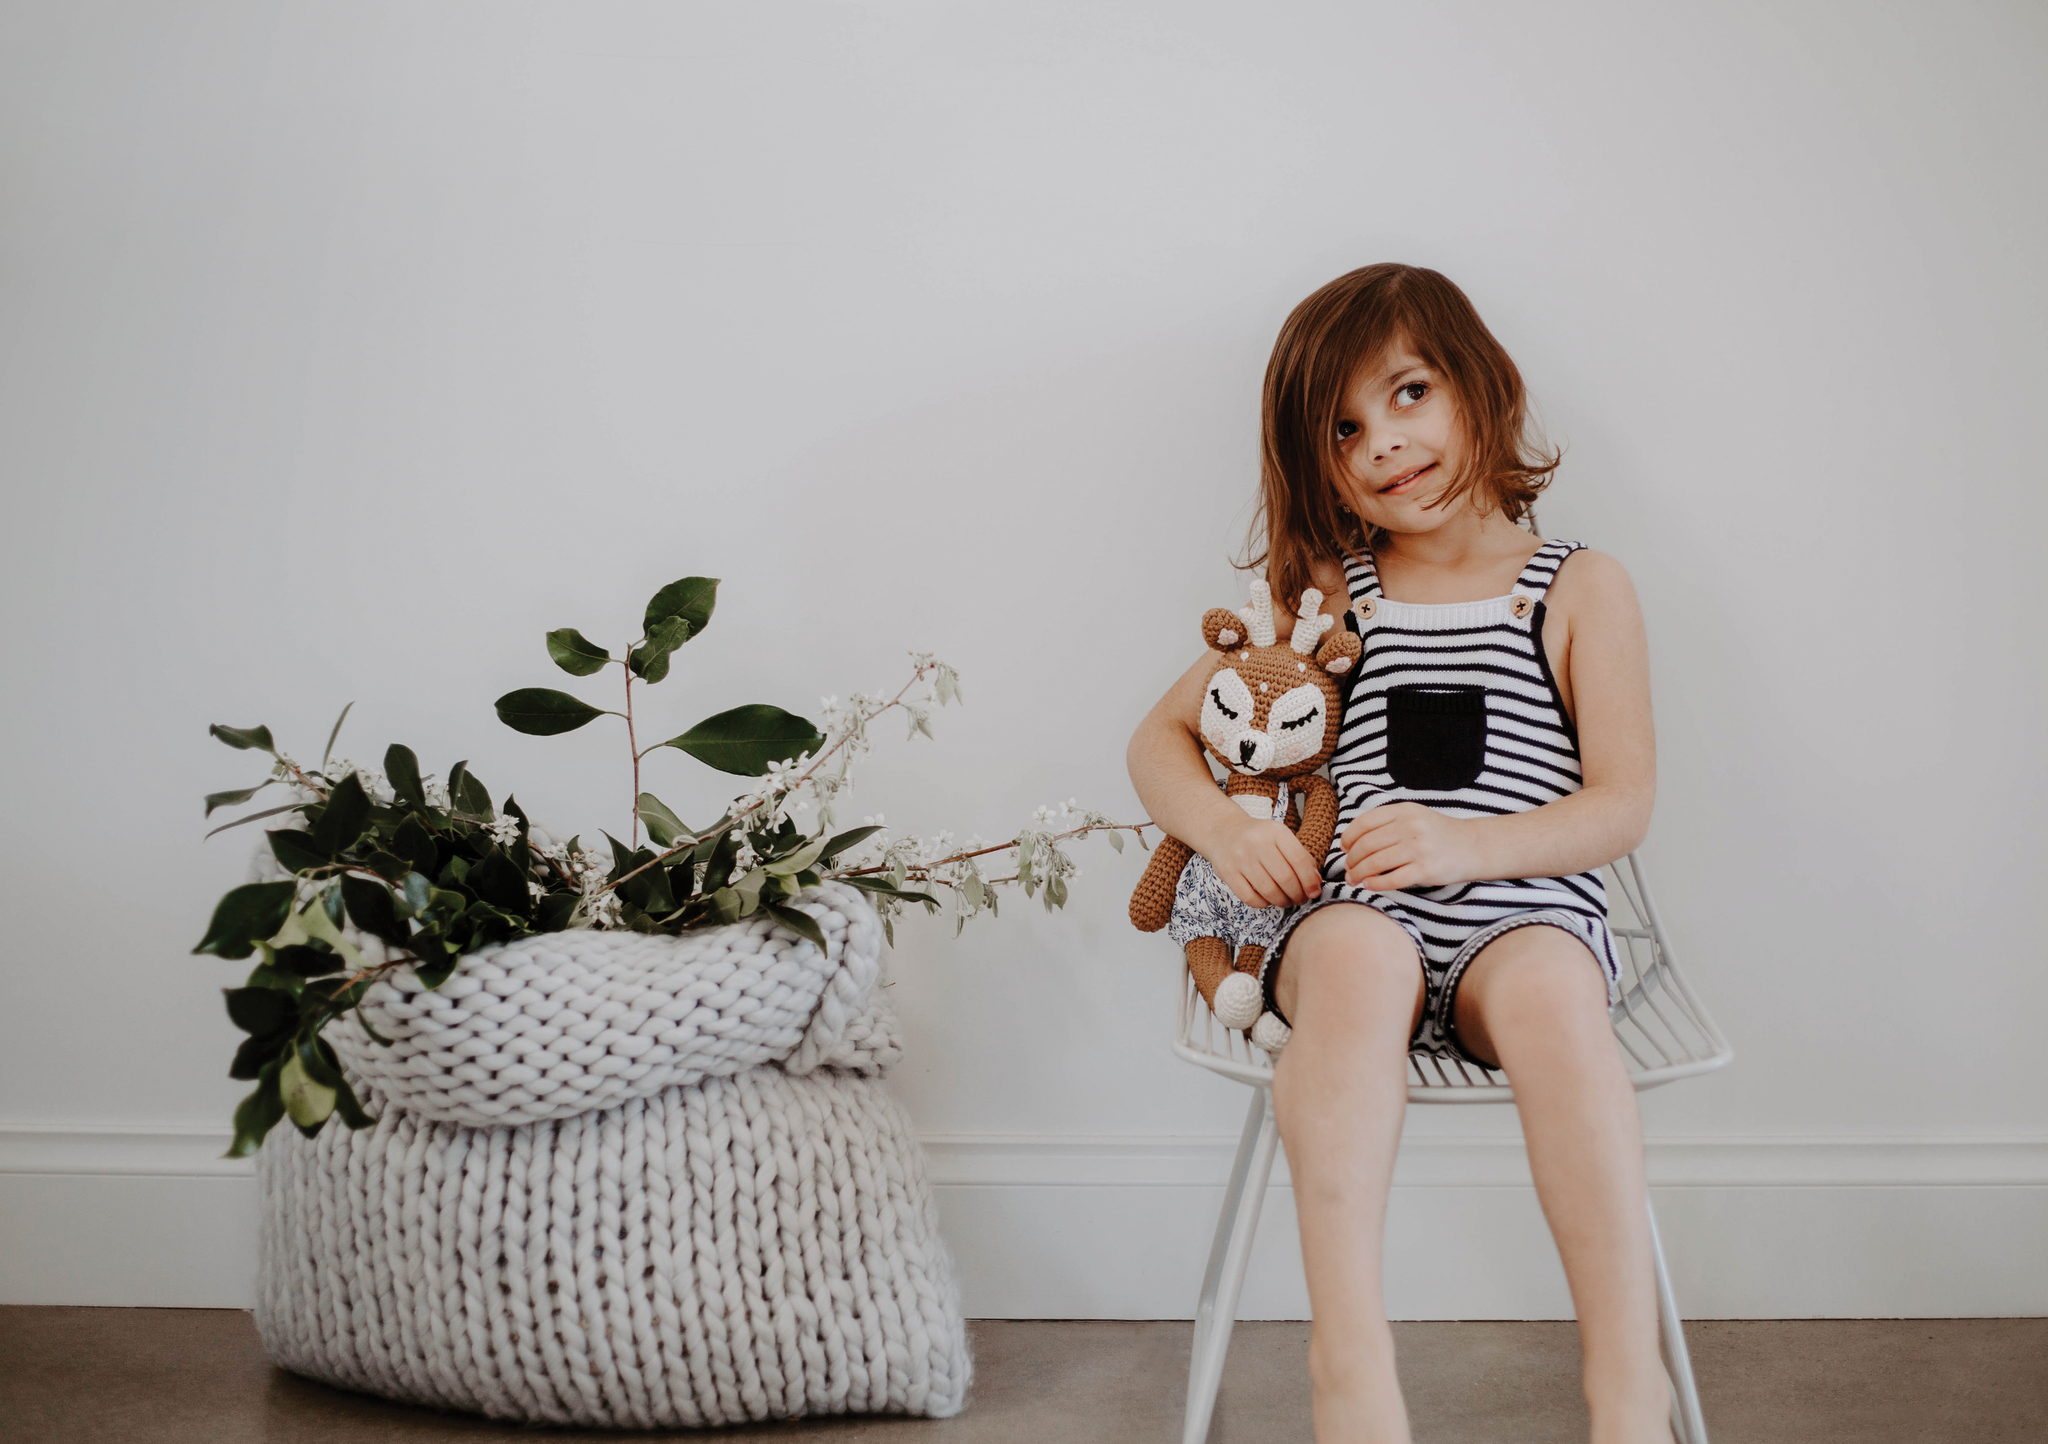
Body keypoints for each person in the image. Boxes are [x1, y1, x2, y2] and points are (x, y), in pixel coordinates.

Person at [1127, 264, 1667, 1444]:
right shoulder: (1331, 593)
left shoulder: (1575, 586)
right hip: (1354, 917)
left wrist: (1468, 844)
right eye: (1343, 429)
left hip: (1519, 914)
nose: (1382, 444)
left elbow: (1620, 804)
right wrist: (1222, 827)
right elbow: (1160, 735)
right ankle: (1349, 1362)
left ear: (1481, 385)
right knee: (1361, 966)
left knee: (1554, 999)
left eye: (1408, 393)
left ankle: (1627, 1382)